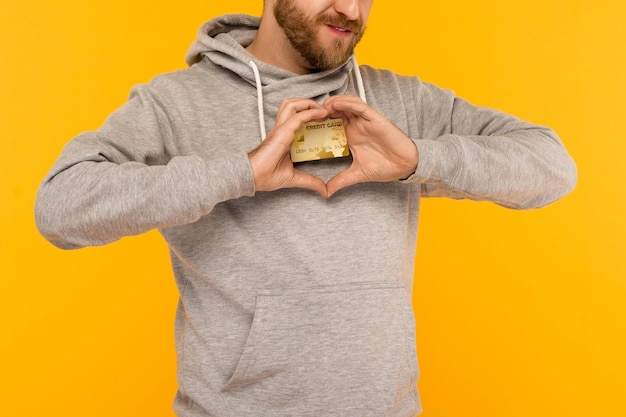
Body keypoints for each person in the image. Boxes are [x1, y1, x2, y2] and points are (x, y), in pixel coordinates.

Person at [35, 1, 577, 416]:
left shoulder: (401, 102)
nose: (352, 11)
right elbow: (60, 207)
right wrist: (239, 173)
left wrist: (416, 157)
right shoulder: (174, 103)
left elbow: (553, 167)